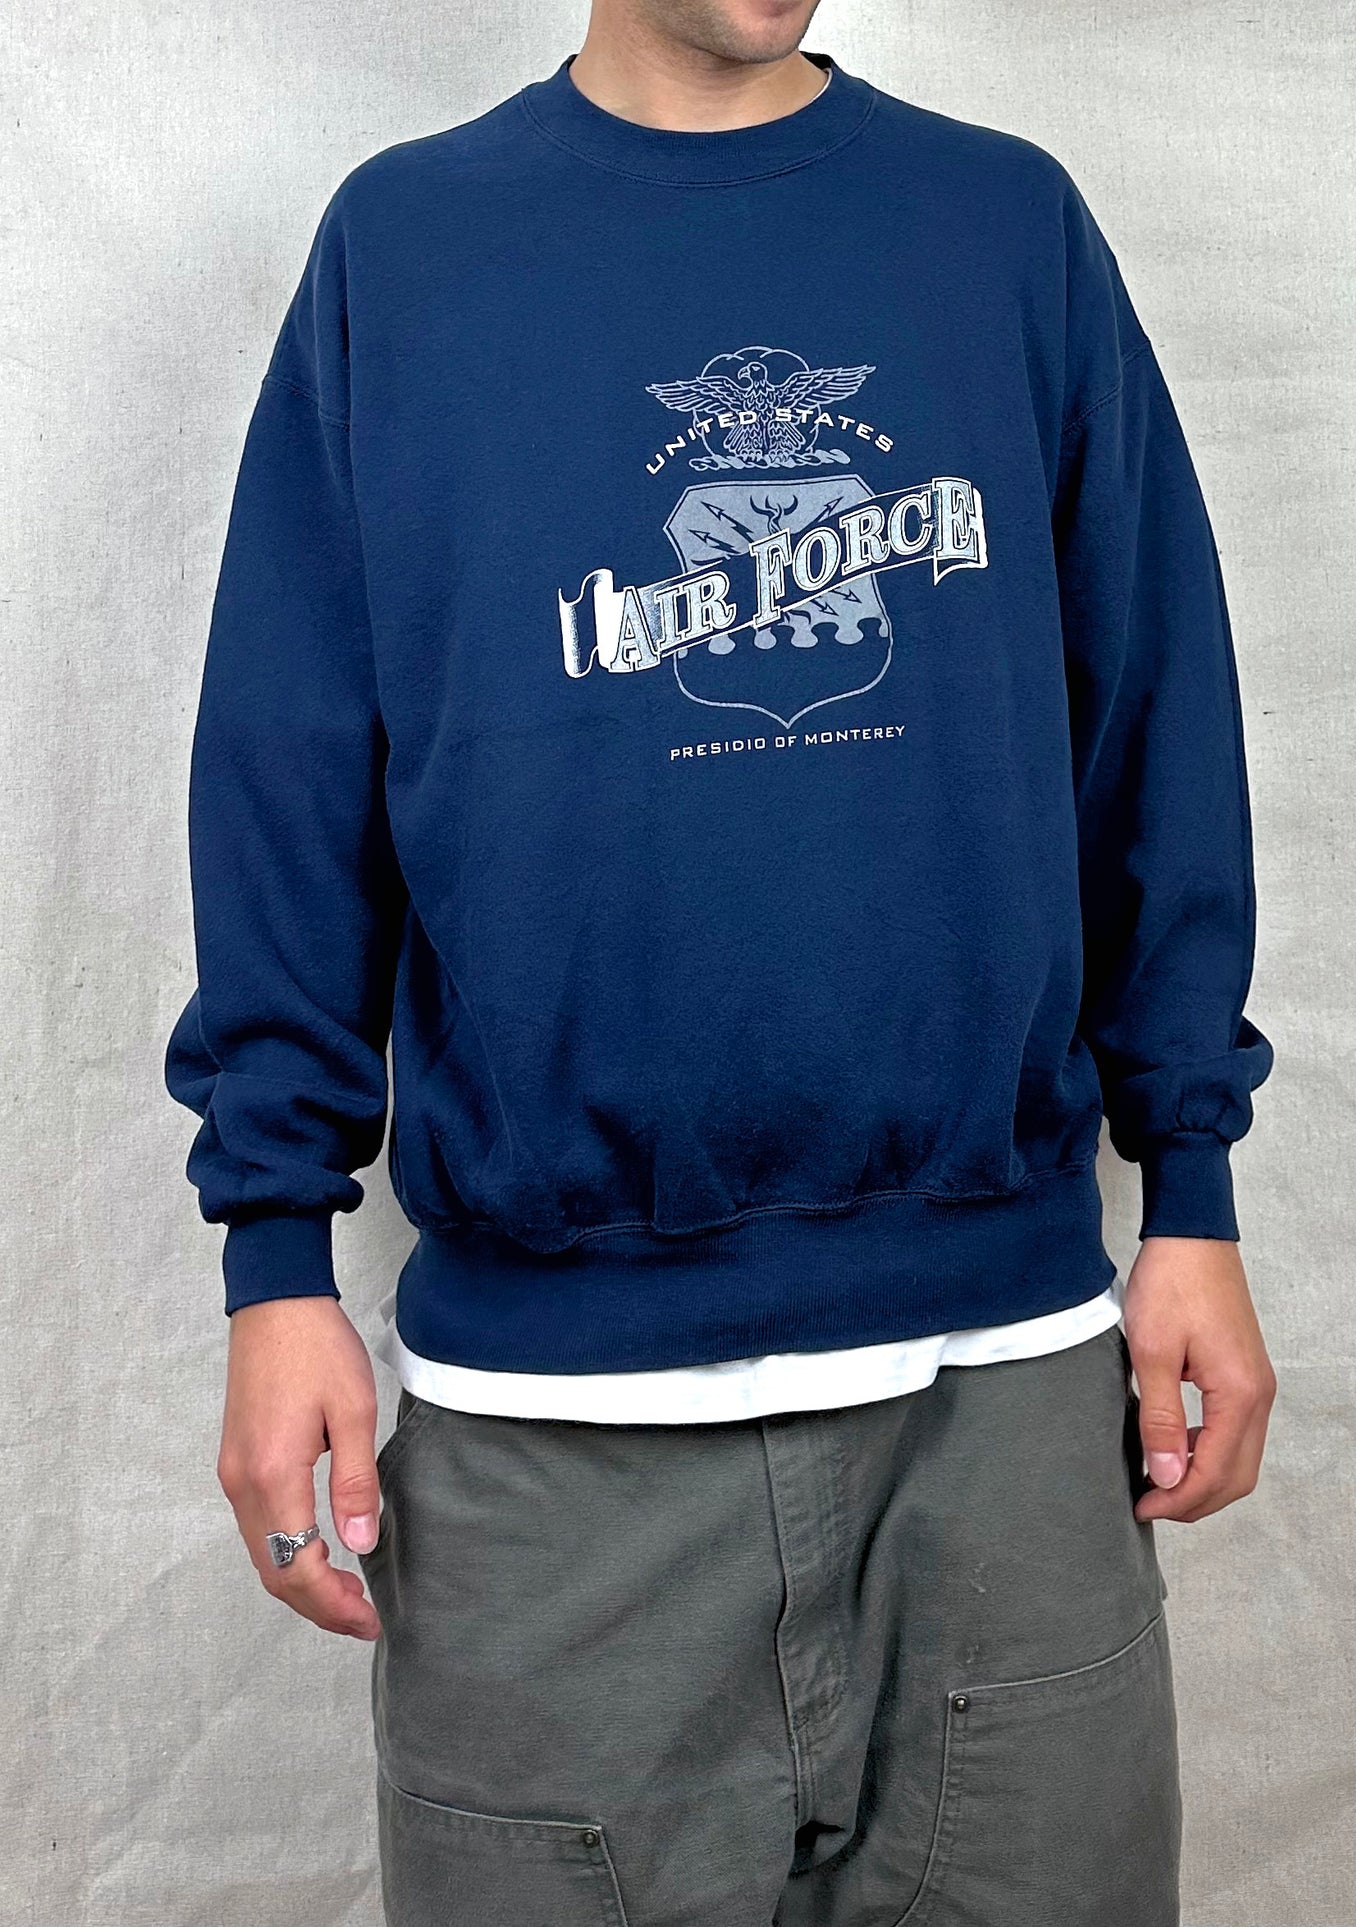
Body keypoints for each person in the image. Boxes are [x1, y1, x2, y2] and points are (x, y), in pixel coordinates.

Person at [164, 2, 1278, 1920]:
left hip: (1003, 1406)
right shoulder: (408, 248)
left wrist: (1193, 1188)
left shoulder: (999, 225)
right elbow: (290, 767)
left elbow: (1150, 713)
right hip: (551, 1448)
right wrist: (274, 1261)